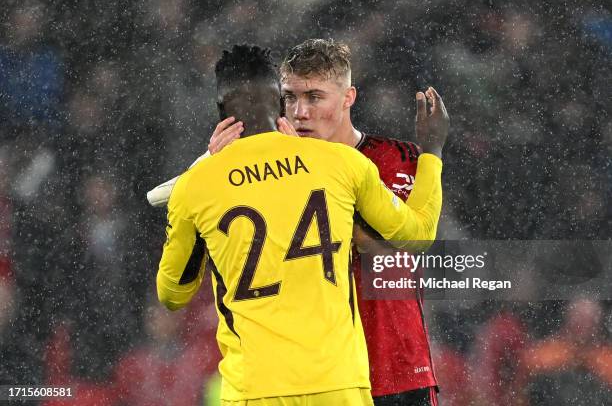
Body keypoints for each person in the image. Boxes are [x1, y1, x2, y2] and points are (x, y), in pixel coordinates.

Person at [156, 44, 446, 405]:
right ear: (277, 102)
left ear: (348, 98)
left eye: (313, 97)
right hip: (334, 381)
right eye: (290, 98)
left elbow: (173, 294)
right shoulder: (330, 167)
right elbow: (413, 232)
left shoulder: (394, 158)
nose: (300, 111)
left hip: (358, 371)